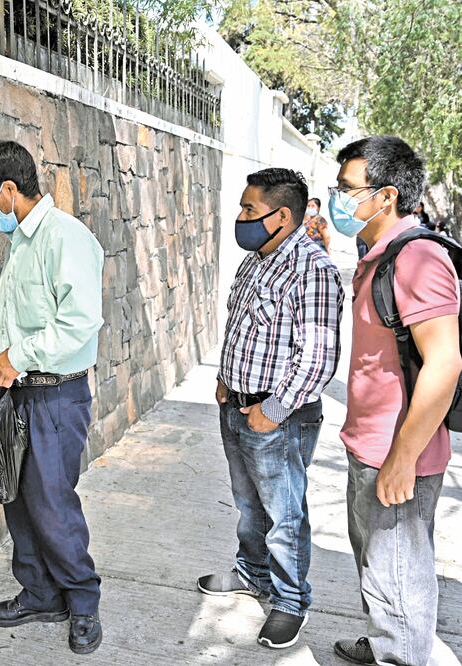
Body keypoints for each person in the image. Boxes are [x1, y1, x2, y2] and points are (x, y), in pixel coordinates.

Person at [0, 140, 105, 655]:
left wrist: (18, 356)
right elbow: (29, 314)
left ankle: (82, 601)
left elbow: (79, 324)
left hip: (55, 397)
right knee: (17, 500)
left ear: (9, 190)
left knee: (52, 506)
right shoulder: (23, 239)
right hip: (21, 394)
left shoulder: (67, 239)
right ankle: (41, 592)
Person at [328, 136, 462, 666]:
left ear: (384, 197)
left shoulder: (418, 258)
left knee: (400, 574)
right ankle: (388, 642)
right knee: (379, 568)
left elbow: (445, 363)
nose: (339, 198)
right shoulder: (381, 254)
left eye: (347, 189)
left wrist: (403, 459)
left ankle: (402, 655)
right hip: (371, 446)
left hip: (398, 454)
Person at [199, 168, 344, 650]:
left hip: (277, 418)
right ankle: (253, 575)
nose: (241, 218)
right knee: (248, 506)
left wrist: (274, 409)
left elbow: (318, 356)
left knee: (284, 516)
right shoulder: (256, 260)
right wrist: (225, 377)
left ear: (283, 216)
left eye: (249, 210)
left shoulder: (313, 269)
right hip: (237, 408)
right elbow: (241, 325)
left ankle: (288, 602)